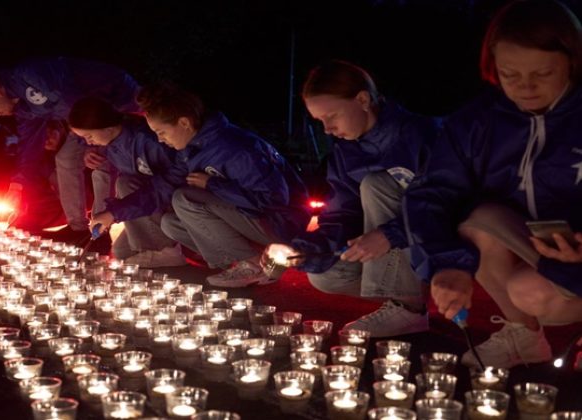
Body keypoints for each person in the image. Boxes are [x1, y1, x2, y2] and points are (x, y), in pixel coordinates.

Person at [404, 0, 582, 368]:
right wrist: (448, 264)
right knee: (478, 221)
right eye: (509, 74)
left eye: (543, 73)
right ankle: (524, 336)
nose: (525, 87)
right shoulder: (477, 122)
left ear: (573, 62)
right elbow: (432, 194)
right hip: (538, 251)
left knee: (530, 289)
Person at [265, 61, 438, 337]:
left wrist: (389, 234)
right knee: (325, 275)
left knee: (375, 183)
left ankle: (408, 307)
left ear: (362, 99)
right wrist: (305, 250)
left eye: (331, 116)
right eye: (319, 121)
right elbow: (342, 214)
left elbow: (449, 201)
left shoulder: (421, 134)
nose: (327, 129)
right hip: (399, 252)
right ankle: (408, 294)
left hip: (441, 239)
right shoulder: (346, 153)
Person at [137, 83, 311, 287]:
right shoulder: (192, 148)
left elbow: (274, 199)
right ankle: (244, 261)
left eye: (161, 132)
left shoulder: (234, 148)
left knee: (185, 198)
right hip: (251, 217)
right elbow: (168, 182)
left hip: (280, 223)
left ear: (184, 122)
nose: (160, 140)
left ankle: (256, 266)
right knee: (170, 223)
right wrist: (116, 212)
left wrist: (213, 184)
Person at [0, 57, 141, 241]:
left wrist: (91, 142)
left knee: (100, 162)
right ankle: (78, 228)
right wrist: (17, 186)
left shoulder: (31, 77)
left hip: (114, 103)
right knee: (65, 158)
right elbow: (28, 146)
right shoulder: (22, 107)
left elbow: (74, 103)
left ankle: (99, 231)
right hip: (80, 118)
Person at [71, 97, 187, 267]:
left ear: (109, 127)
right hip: (148, 201)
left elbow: (168, 185)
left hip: (174, 200)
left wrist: (114, 213)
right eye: (83, 138)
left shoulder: (150, 141)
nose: (88, 142)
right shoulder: (111, 141)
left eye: (89, 136)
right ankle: (150, 248)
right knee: (121, 252)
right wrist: (91, 153)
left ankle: (165, 250)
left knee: (125, 183)